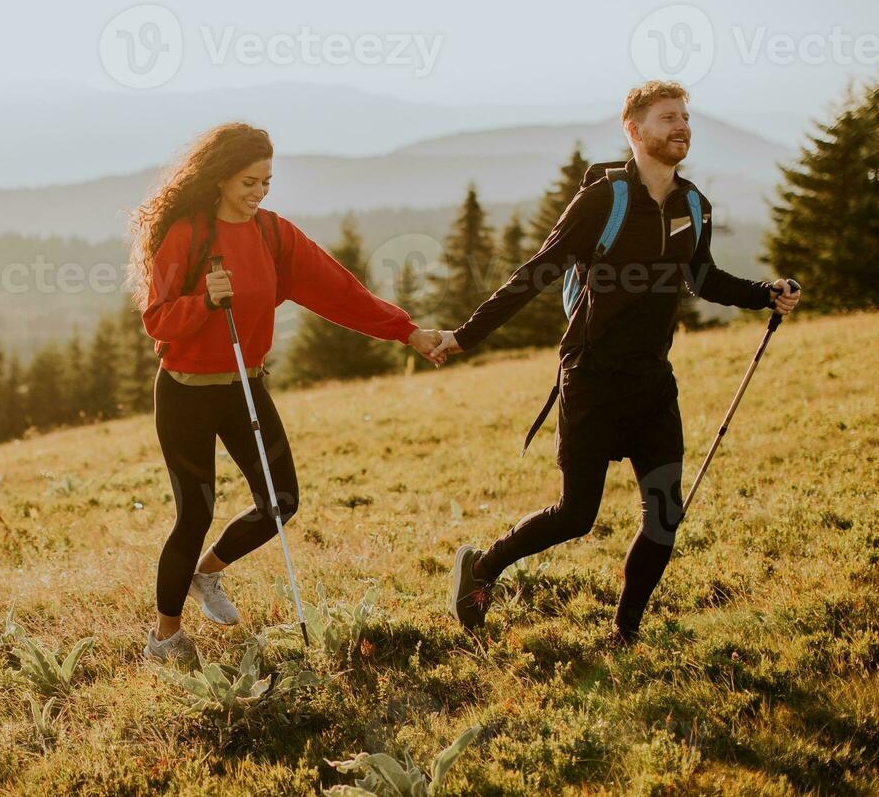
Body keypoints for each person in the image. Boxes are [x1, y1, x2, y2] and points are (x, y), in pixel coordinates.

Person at [431, 81, 802, 645]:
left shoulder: (693, 204)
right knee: (576, 515)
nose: (680, 127)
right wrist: (465, 336)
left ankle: (625, 633)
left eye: (684, 117)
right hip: (592, 377)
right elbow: (537, 270)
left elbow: (701, 277)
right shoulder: (604, 199)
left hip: (653, 381)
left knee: (664, 517)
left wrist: (763, 292)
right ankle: (482, 570)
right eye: (665, 118)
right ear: (634, 130)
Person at [128, 122, 448, 666]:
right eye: (249, 181)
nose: (258, 192)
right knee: (195, 511)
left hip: (244, 385)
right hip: (185, 391)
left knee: (281, 501)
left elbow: (339, 291)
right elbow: (157, 320)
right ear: (221, 177)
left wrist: (406, 331)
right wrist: (204, 300)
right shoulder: (189, 234)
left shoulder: (273, 235)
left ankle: (207, 573)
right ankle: (165, 637)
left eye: (267, 183)